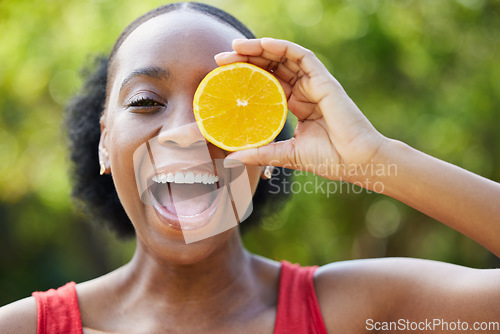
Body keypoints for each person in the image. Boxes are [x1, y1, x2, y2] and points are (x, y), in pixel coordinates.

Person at [1, 2, 499, 333]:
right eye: (147, 101)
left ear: (268, 144)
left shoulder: (357, 311)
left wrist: (375, 158)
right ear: (106, 142)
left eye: (223, 107)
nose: (184, 131)